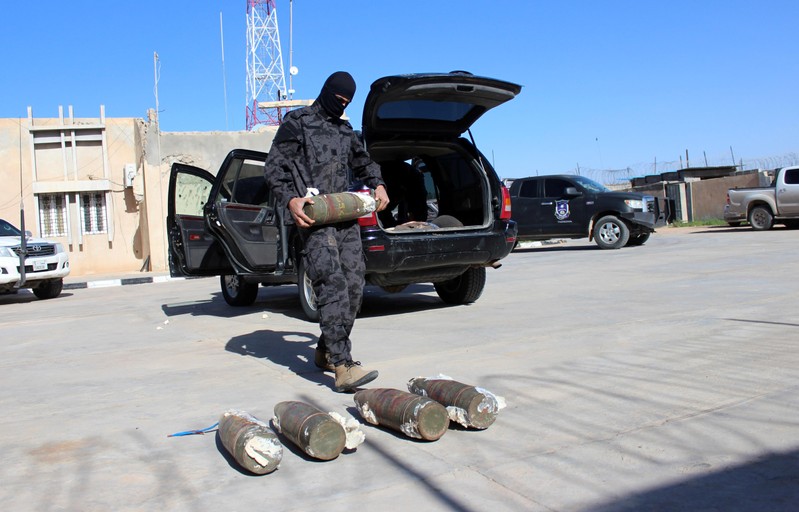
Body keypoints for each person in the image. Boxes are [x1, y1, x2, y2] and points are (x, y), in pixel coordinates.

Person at [264, 71, 390, 392]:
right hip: (313, 219)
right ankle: (343, 365)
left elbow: (364, 162)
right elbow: (273, 168)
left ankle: (325, 349)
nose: (341, 106)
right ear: (326, 92)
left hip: (343, 216)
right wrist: (290, 200)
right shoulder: (298, 123)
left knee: (353, 284)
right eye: (339, 100)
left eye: (347, 103)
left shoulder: (345, 131)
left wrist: (378, 184)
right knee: (331, 282)